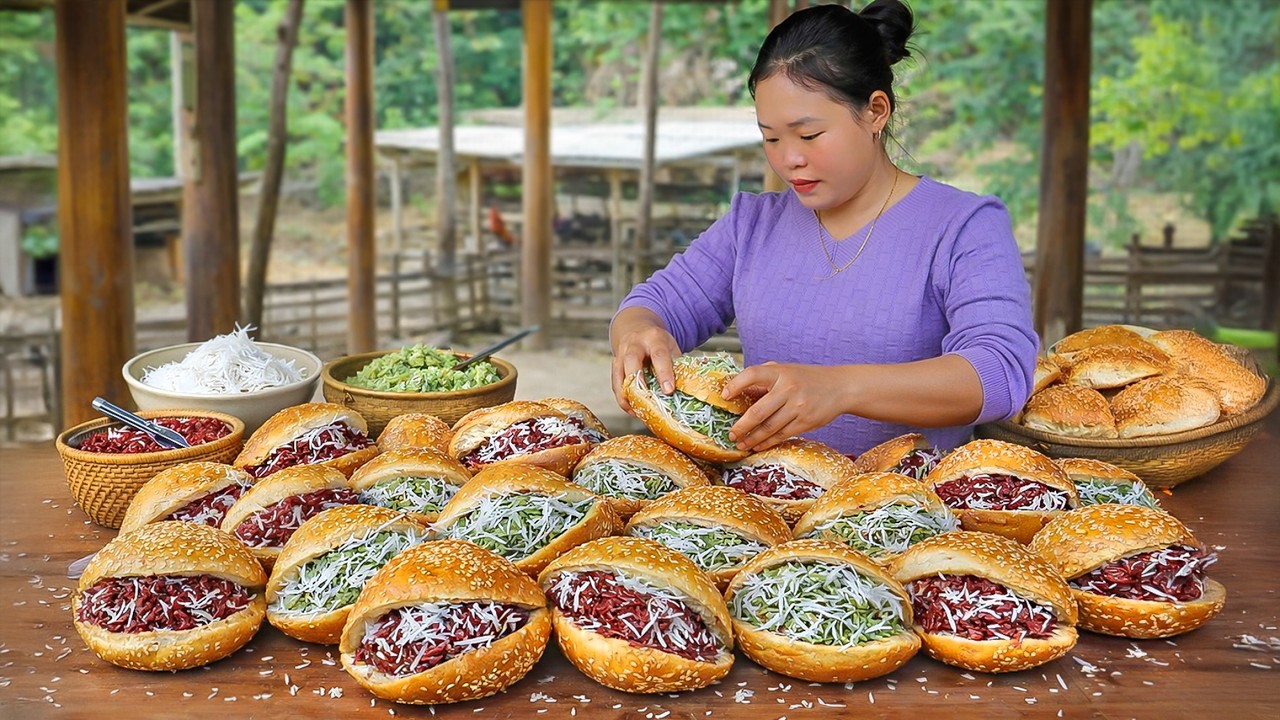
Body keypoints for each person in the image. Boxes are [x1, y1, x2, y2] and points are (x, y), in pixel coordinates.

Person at [609, 0, 1037, 457]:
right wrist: (638, 333)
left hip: (907, 513)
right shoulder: (752, 224)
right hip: (768, 506)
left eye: (808, 135)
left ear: (875, 111)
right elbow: (653, 306)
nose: (788, 158)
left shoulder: (962, 227)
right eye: (771, 137)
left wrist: (841, 388)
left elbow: (999, 371)